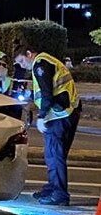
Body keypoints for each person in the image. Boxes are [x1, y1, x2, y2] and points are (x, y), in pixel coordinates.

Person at [13, 44, 81, 206]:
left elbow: (47, 93)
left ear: (29, 54)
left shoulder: (40, 64)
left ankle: (59, 194)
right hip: (67, 111)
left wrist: (41, 116)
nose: (23, 66)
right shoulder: (48, 60)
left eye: (22, 61)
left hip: (59, 115)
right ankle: (53, 187)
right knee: (55, 155)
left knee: (54, 155)